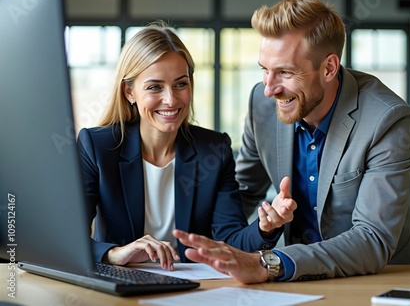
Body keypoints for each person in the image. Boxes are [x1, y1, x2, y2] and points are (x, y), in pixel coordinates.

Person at [173, 0, 410, 282]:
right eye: (264, 69)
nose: (269, 89)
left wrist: (268, 263)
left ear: (329, 68)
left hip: (386, 276)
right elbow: (241, 196)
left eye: (284, 72)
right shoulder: (262, 104)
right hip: (301, 276)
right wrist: (183, 247)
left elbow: (373, 239)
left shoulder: (386, 119)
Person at [77, 21, 296, 271]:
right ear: (129, 92)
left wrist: (265, 228)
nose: (171, 99)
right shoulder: (97, 146)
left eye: (181, 83)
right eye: (154, 87)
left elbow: (232, 240)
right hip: (121, 282)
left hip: (193, 285)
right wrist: (115, 254)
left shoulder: (214, 149)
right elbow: (70, 238)